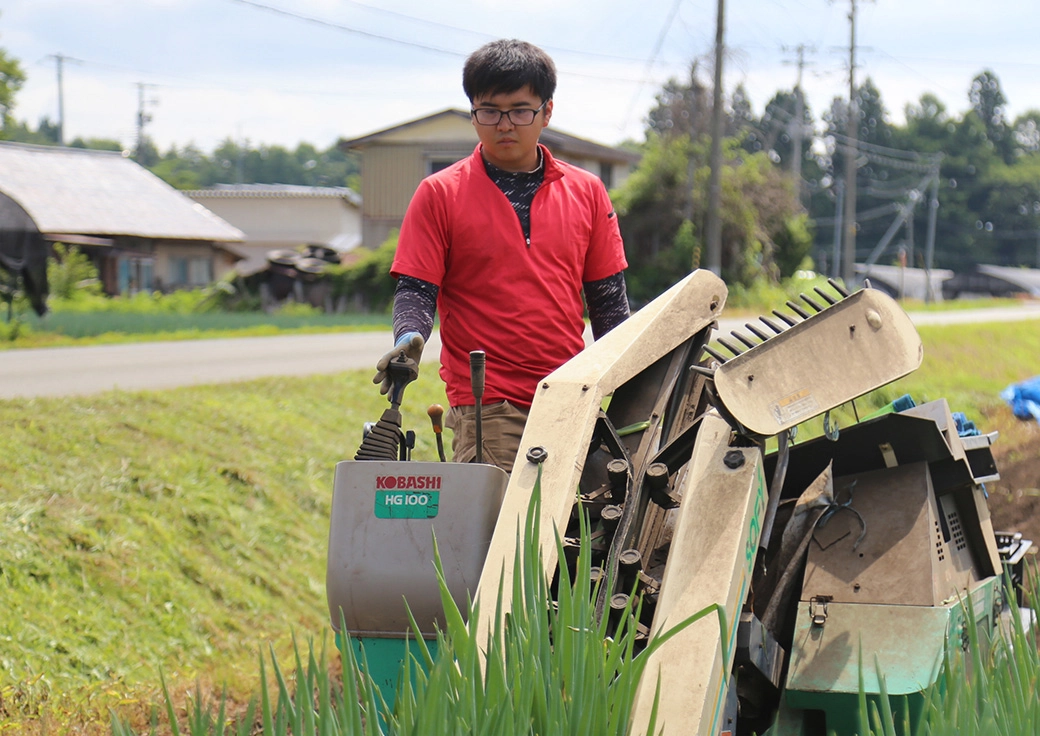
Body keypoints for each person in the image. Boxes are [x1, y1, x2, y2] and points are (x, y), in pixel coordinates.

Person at [373, 38, 630, 473]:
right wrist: (407, 339)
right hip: (487, 405)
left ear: (547, 111)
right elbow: (416, 289)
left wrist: (631, 386)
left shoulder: (587, 192)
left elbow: (609, 303)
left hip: (573, 395)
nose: (504, 124)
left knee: (579, 532)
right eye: (489, 111)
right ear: (472, 111)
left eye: (520, 110)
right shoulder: (439, 194)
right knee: (504, 537)